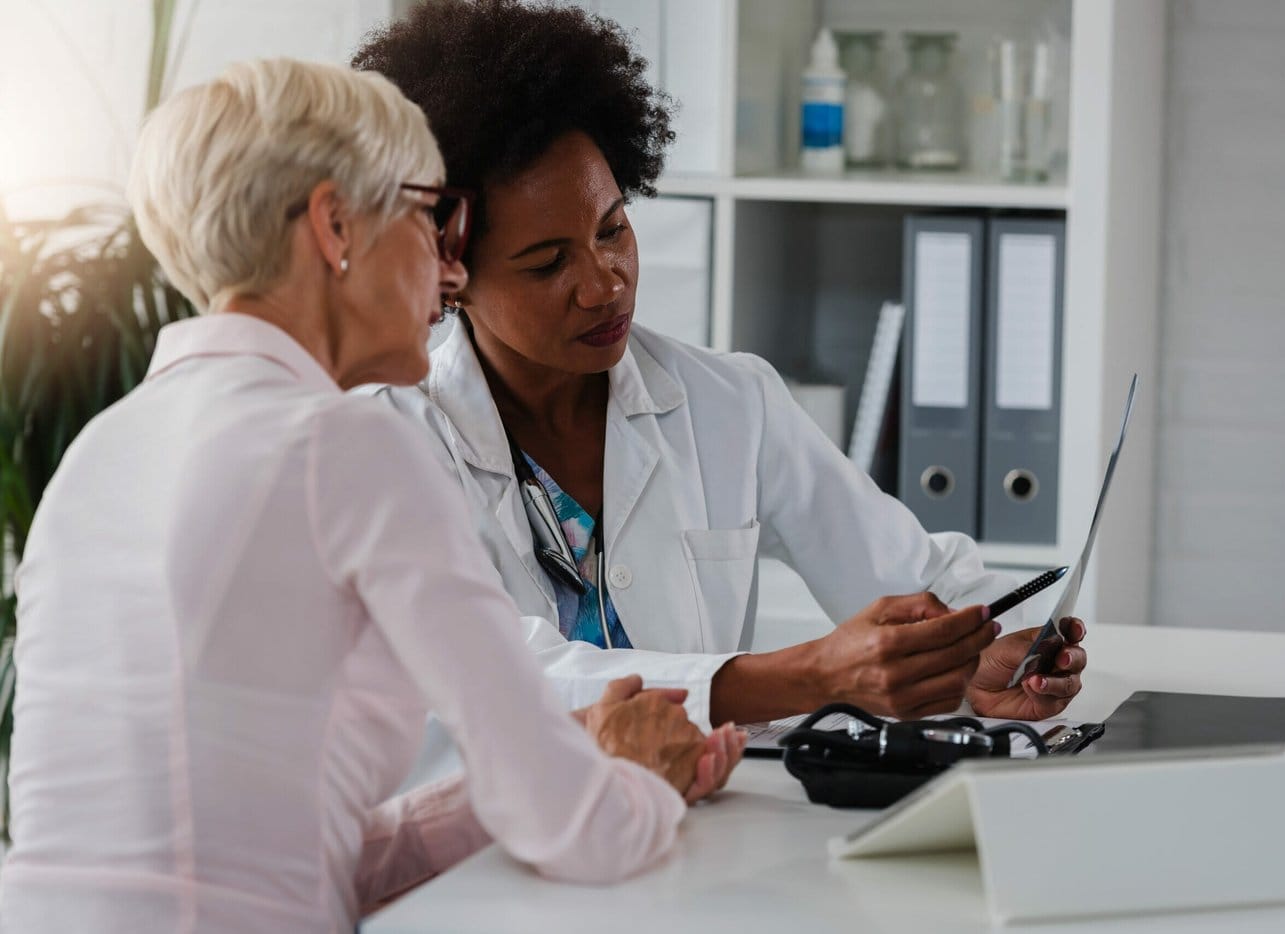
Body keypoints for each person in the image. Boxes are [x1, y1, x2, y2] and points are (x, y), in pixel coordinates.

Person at [0, 58, 743, 934]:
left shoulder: (101, 452)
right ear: (335, 224)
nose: (449, 266)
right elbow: (581, 834)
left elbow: (293, 861)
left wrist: (573, 756)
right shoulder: (343, 444)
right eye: (434, 215)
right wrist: (637, 780)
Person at [352, 0, 1086, 733]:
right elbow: (502, 673)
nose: (605, 281)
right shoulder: (387, 443)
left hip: (704, 825)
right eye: (548, 263)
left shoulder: (729, 402)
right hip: (483, 836)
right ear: (448, 270)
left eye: (613, 229)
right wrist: (807, 676)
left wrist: (984, 652)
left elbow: (910, 573)